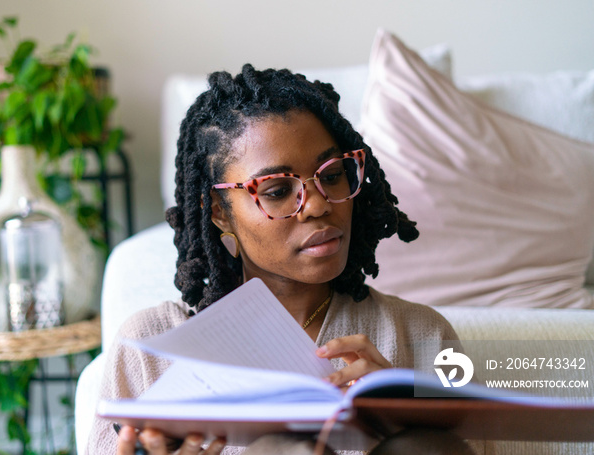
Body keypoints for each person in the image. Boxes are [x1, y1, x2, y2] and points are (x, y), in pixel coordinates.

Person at [87, 65, 483, 455]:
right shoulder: (148, 349)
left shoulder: (421, 338)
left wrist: (396, 429)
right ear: (220, 212)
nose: (316, 204)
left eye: (331, 175)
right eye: (276, 190)